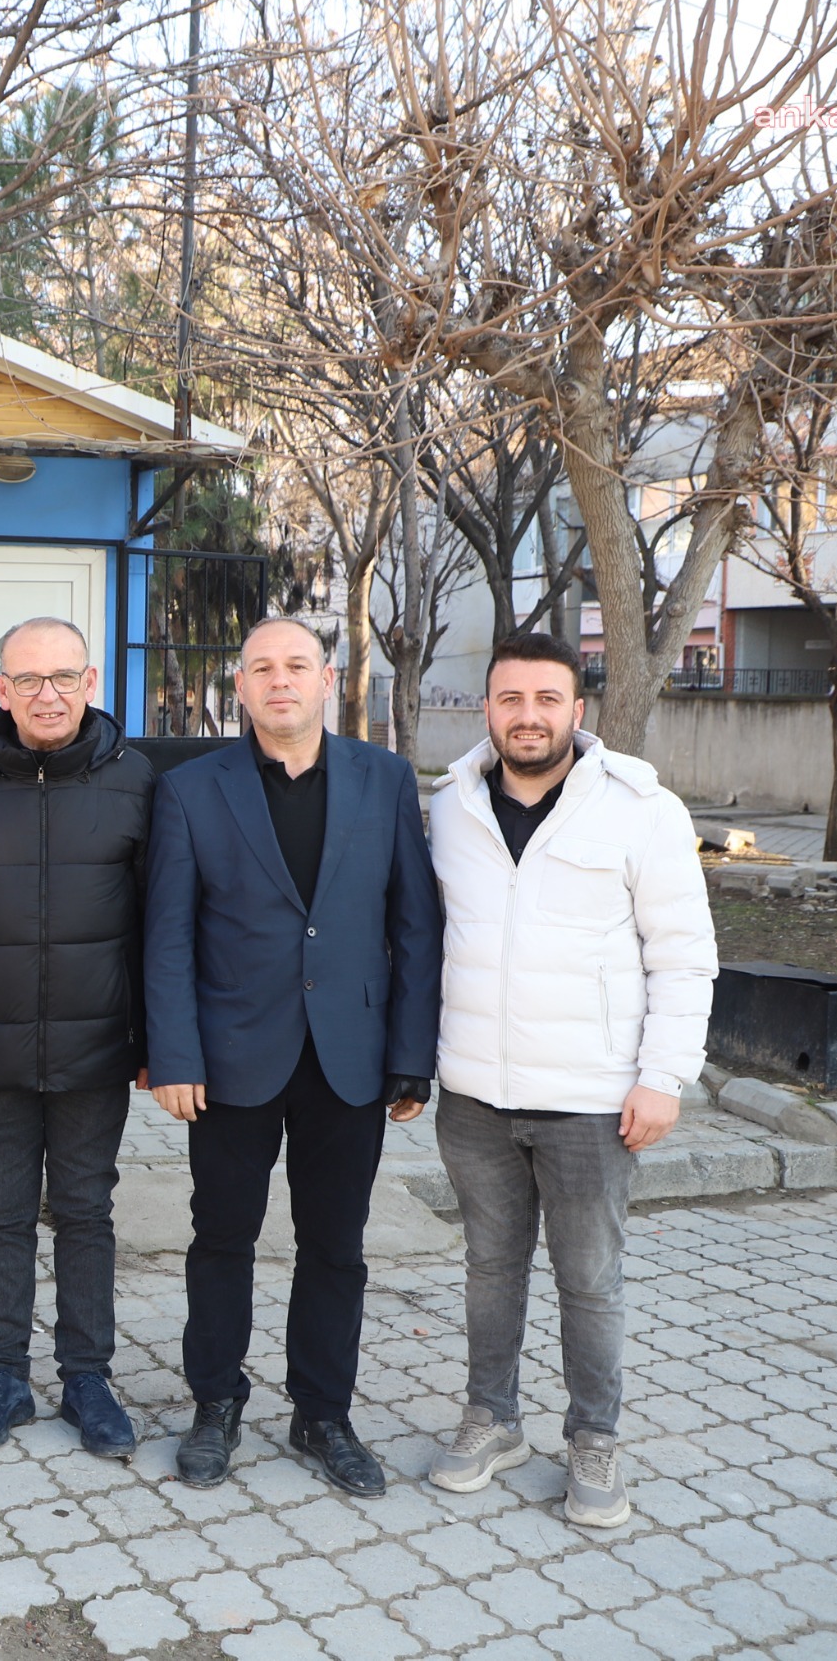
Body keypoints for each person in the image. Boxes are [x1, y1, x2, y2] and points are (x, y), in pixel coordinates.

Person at [143, 615, 442, 1497]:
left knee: (336, 1247)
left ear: (325, 678)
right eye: (261, 668)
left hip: (349, 1059)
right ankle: (215, 1405)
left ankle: (323, 1412)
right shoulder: (192, 789)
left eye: (297, 665)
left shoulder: (383, 779)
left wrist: (410, 1055)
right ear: (238, 687)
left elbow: (415, 925)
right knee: (221, 1238)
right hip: (231, 1057)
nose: (280, 681)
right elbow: (166, 936)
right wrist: (173, 1055)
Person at [423, 632, 715, 1528]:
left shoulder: (638, 807)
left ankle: (595, 1440)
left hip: (592, 1100)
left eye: (547, 700)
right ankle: (492, 1417)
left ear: (576, 712)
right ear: (488, 710)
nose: (528, 717)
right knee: (488, 1268)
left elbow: (685, 955)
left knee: (590, 1280)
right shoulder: (451, 806)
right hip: (474, 1094)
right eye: (511, 700)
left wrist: (663, 1076)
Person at [0, 618, 155, 1459]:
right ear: (0, 690)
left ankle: (88, 1378)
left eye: (63, 678)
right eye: (28, 681)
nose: (47, 695)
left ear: (90, 683)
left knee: (86, 1213)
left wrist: (157, 1040)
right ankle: (1, 1377)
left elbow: (165, 924)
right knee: (3, 1214)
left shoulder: (135, 781)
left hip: (97, 1047)